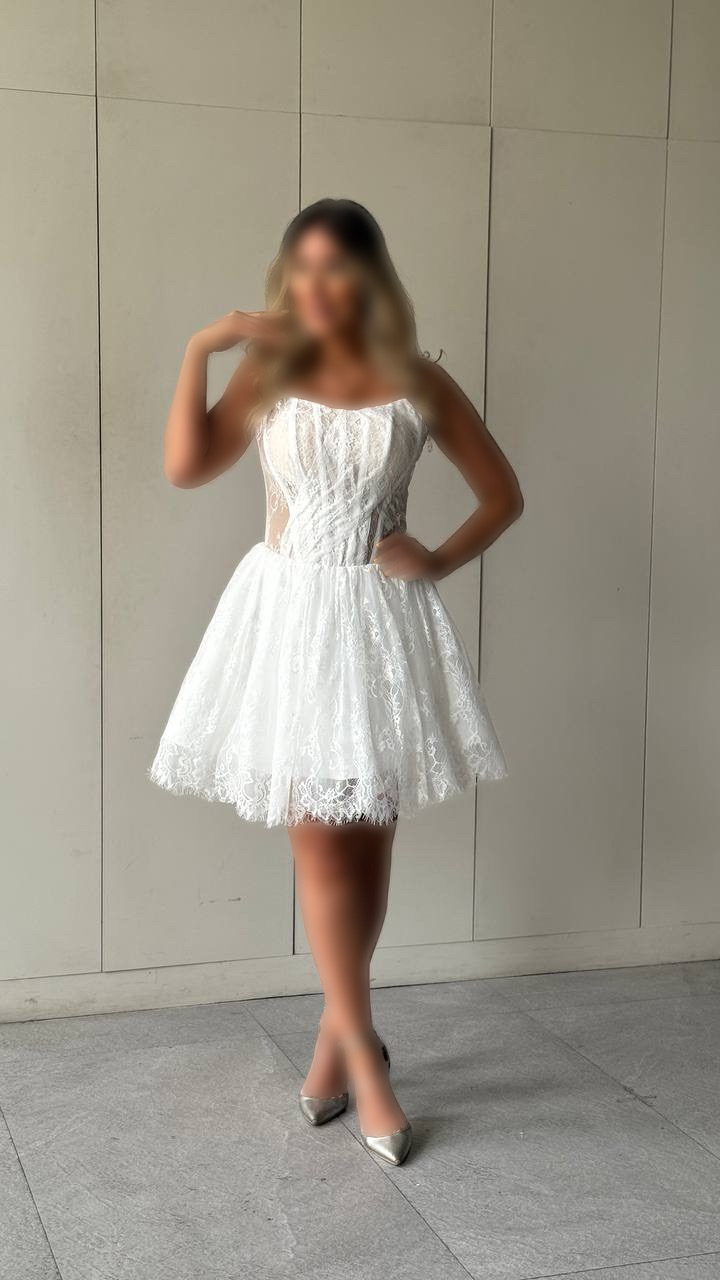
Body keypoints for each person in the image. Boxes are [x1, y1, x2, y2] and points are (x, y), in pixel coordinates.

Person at [151, 198, 523, 1165]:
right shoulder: (268, 369)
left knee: (366, 842)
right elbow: (186, 466)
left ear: (368, 278)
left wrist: (434, 558)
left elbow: (503, 495)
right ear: (290, 276)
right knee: (320, 847)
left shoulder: (416, 379)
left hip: (380, 624)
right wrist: (204, 345)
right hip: (290, 623)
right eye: (303, 269)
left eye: (338, 270)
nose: (319, 287)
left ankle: (331, 1037)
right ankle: (365, 1058)